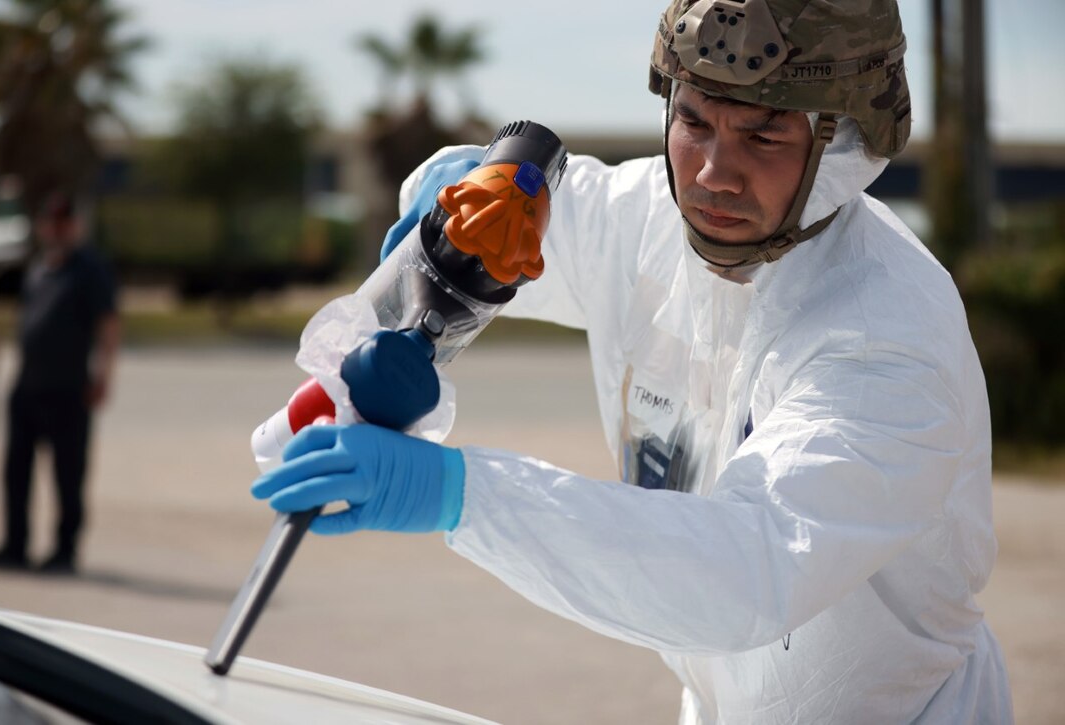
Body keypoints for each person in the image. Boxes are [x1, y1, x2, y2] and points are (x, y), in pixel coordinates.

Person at [250, 1, 1013, 722]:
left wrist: (459, 493)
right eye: (693, 120)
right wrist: (449, 216)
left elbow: (747, 569)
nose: (714, 172)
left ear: (847, 142)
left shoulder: (886, 336)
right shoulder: (647, 217)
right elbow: (498, 194)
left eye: (765, 135)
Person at [0, 191, 119, 574]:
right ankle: (15, 545)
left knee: (67, 474)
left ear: (74, 224)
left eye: (64, 221)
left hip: (68, 389)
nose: (57, 228)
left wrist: (104, 376)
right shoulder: (39, 268)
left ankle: (64, 551)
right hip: (27, 387)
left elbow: (108, 326)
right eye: (51, 221)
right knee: (15, 472)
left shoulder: (90, 269)